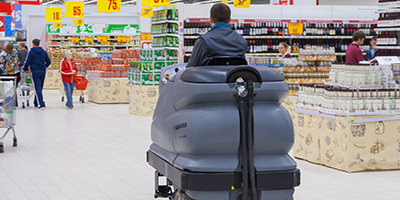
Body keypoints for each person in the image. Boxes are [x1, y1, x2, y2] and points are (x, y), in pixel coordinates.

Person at [186, 3, 248, 67]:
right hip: (233, 76)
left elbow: (191, 67)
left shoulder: (203, 41)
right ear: (229, 20)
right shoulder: (242, 41)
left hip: (209, 77)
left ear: (210, 19)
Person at [23, 39, 51, 110]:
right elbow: (48, 61)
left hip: (35, 71)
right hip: (42, 71)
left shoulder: (31, 52)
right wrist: (44, 66)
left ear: (33, 44)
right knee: (40, 87)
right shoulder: (44, 52)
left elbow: (28, 61)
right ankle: (36, 102)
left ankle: (41, 104)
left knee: (37, 87)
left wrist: (24, 68)